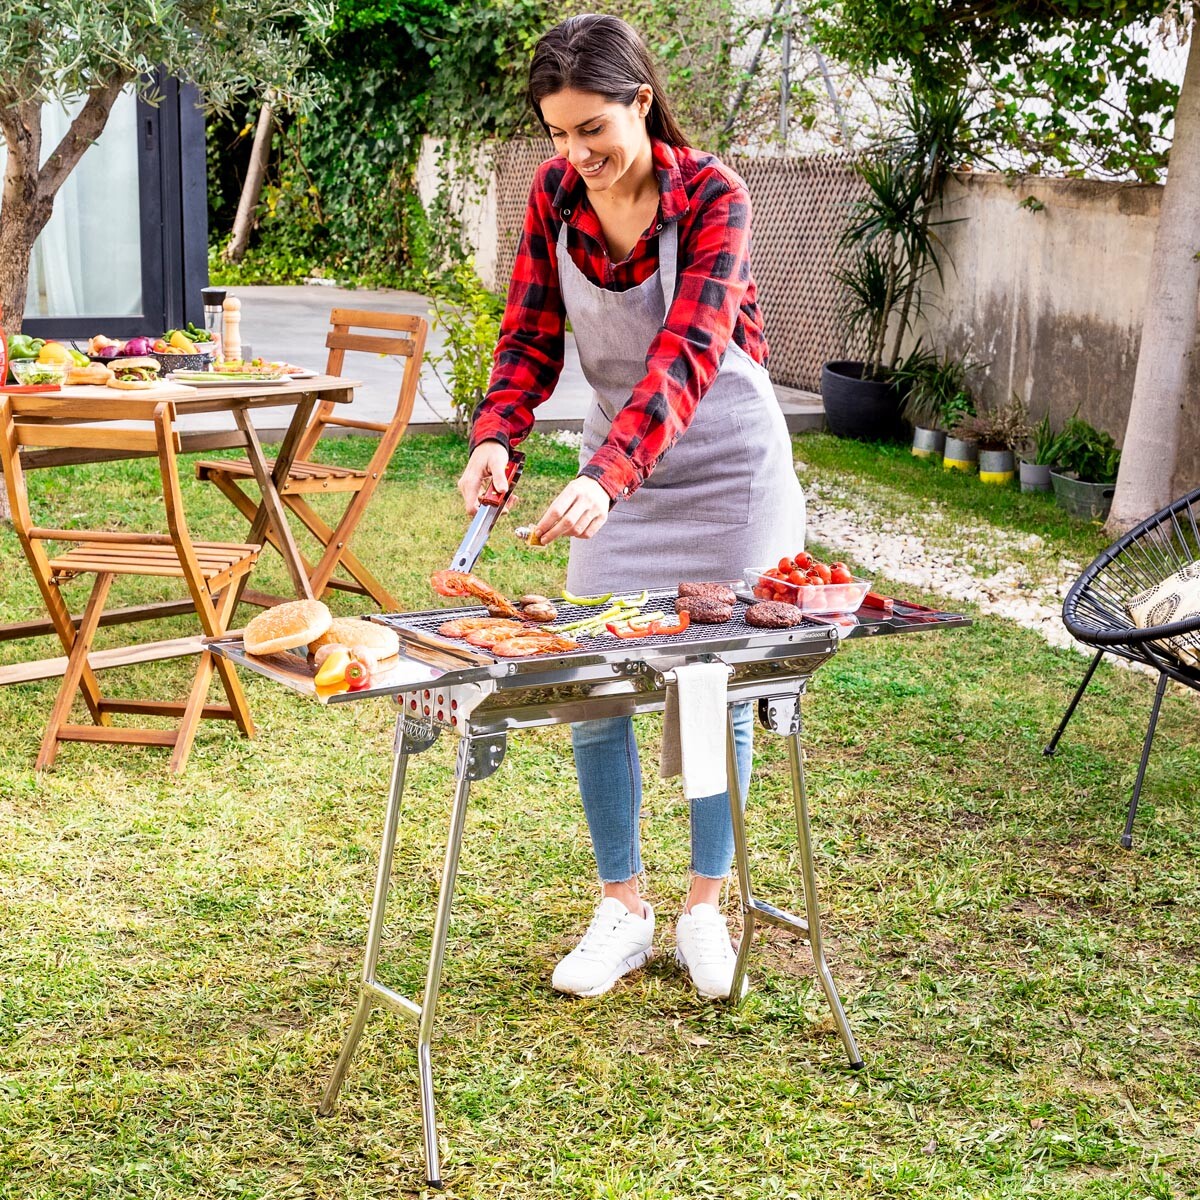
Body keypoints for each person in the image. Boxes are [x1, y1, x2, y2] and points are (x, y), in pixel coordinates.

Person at [457, 14, 805, 1001]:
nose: (577, 156)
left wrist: (607, 476)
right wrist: (497, 434)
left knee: (712, 681)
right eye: (558, 134)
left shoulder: (714, 198)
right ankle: (625, 909)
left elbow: (687, 355)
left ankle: (705, 904)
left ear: (641, 102)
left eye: (593, 132)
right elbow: (529, 334)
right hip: (614, 476)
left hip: (726, 471)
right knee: (591, 679)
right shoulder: (555, 197)